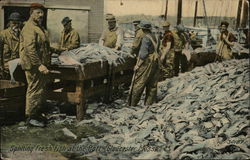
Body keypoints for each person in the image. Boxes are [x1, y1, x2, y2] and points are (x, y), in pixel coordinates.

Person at [19, 3, 51, 127]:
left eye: (42, 13)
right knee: (34, 90)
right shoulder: (29, 28)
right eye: (38, 12)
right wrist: (39, 64)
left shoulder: (39, 27)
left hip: (39, 63)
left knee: (39, 89)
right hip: (32, 65)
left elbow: (43, 45)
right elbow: (29, 49)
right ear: (31, 13)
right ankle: (30, 117)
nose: (41, 15)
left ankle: (36, 113)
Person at [128, 21, 160, 106]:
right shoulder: (155, 36)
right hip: (155, 61)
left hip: (147, 62)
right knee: (152, 84)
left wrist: (137, 65)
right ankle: (149, 104)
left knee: (139, 83)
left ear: (142, 29)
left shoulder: (146, 38)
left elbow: (143, 54)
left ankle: (132, 104)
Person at [0, 12, 23, 80]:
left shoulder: (23, 34)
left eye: (18, 23)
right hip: (6, 68)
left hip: (19, 67)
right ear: (9, 23)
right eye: (14, 23)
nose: (16, 25)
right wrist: (1, 67)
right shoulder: (3, 34)